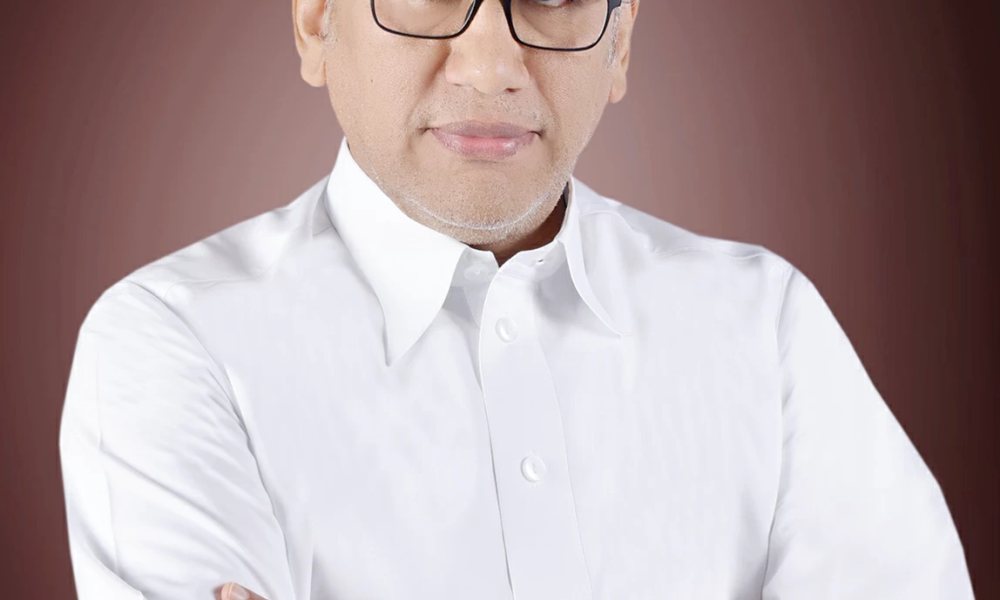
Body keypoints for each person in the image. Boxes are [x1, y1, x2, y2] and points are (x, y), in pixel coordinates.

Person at [58, 0, 976, 598]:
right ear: (314, 24)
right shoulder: (173, 344)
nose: (490, 64)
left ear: (620, 42)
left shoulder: (763, 324)